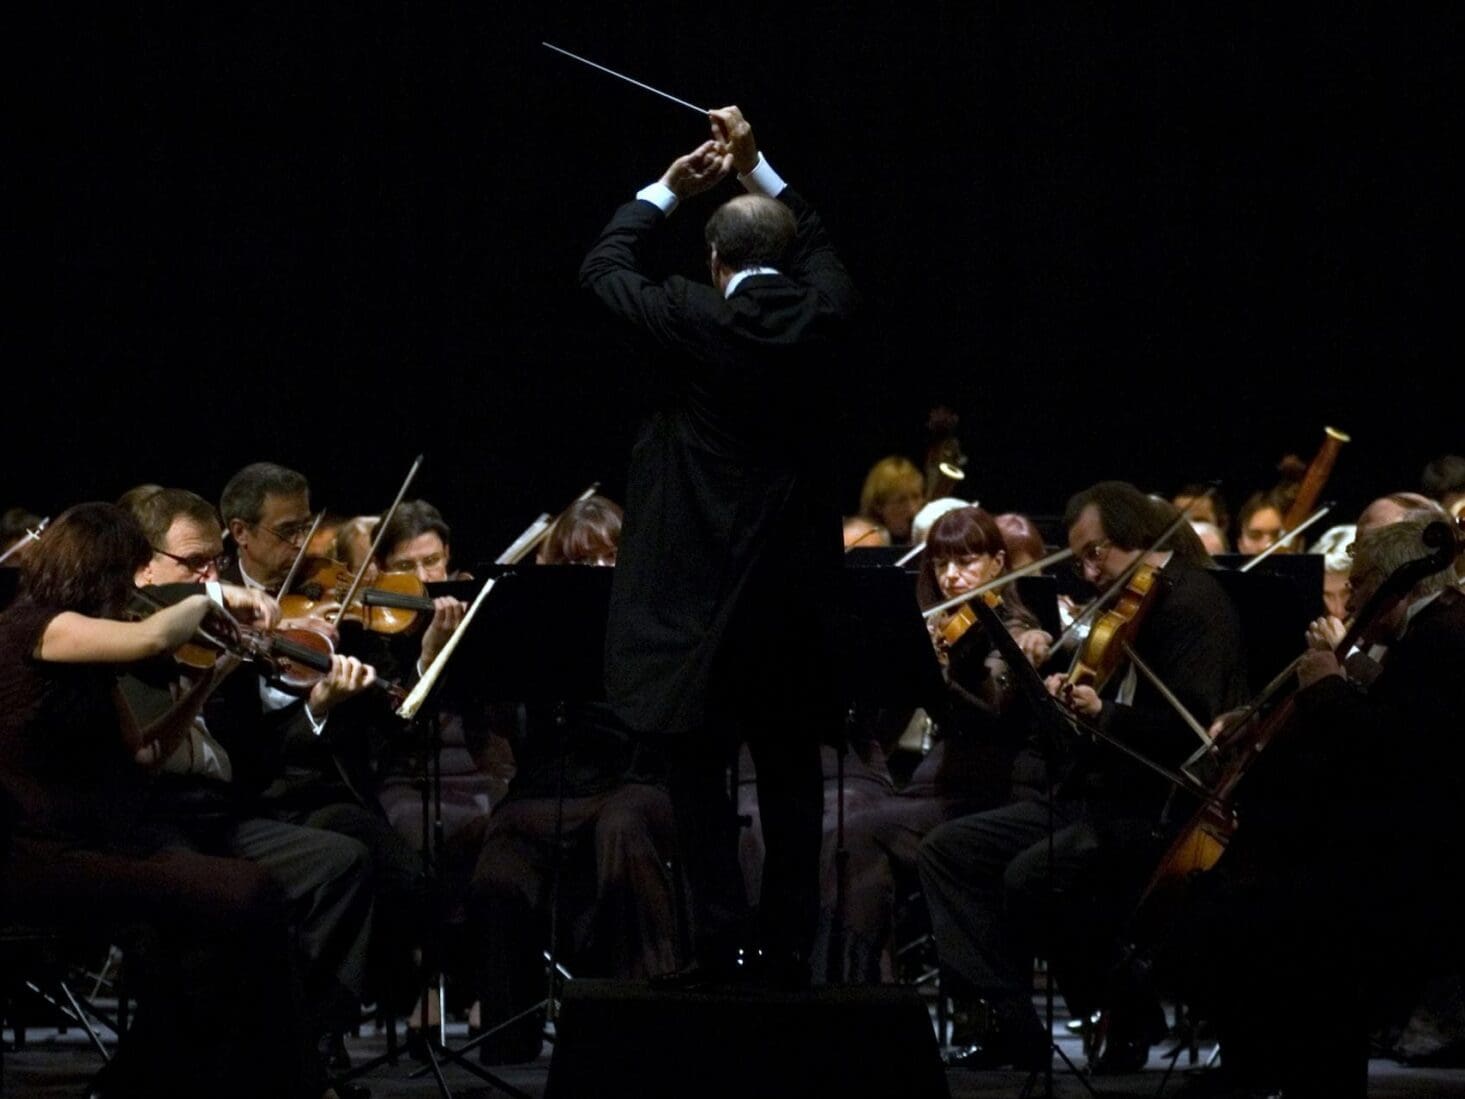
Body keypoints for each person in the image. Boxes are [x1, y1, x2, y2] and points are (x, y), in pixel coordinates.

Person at [579, 104, 856, 985]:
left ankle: (722, 946)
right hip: (790, 609)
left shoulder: (688, 317)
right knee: (790, 781)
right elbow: (812, 237)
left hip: (692, 611)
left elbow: (601, 265)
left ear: (715, 260)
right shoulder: (829, 315)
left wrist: (670, 184)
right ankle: (785, 952)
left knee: (698, 785)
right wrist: (755, 163)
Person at [919, 481, 1248, 1072]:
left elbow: (1192, 728)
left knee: (1035, 873)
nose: (1087, 571)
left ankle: (1124, 1009)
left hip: (1160, 808)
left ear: (1137, 538)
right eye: (1080, 558)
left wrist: (1106, 712)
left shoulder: (1192, 603)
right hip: (1098, 798)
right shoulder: (1134, 603)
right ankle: (1012, 1022)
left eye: (1095, 553)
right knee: (950, 851)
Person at [0, 503, 325, 1097]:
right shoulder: (39, 627)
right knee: (245, 893)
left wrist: (208, 681)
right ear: (98, 571)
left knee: (210, 929)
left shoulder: (85, 648)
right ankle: (282, 1081)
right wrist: (213, 600)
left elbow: (144, 756)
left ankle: (177, 1078)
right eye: (124, 575)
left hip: (105, 843)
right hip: (42, 853)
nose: (130, 590)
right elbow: (153, 633)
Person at [1177, 516, 1465, 1098]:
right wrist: (1351, 673)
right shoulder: (1432, 628)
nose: (1352, 596)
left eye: (1359, 582)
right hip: (1392, 850)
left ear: (1393, 583)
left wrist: (1330, 685)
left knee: (1247, 915)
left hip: (1418, 866)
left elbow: (1402, 754)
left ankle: (1275, 1073)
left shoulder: (1444, 635)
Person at [122, 487, 375, 1080]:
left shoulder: (222, 637)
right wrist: (213, 594)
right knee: (230, 900)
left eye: (215, 561)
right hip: (150, 816)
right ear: (144, 563)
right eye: (194, 563)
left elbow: (263, 739)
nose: (211, 574)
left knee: (343, 860)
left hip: (220, 813)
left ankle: (301, 1047)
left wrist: (311, 695)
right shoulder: (127, 623)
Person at [859, 456, 925, 545]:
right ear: (878, 505)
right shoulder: (863, 542)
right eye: (901, 500)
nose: (912, 509)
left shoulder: (924, 539)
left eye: (916, 497)